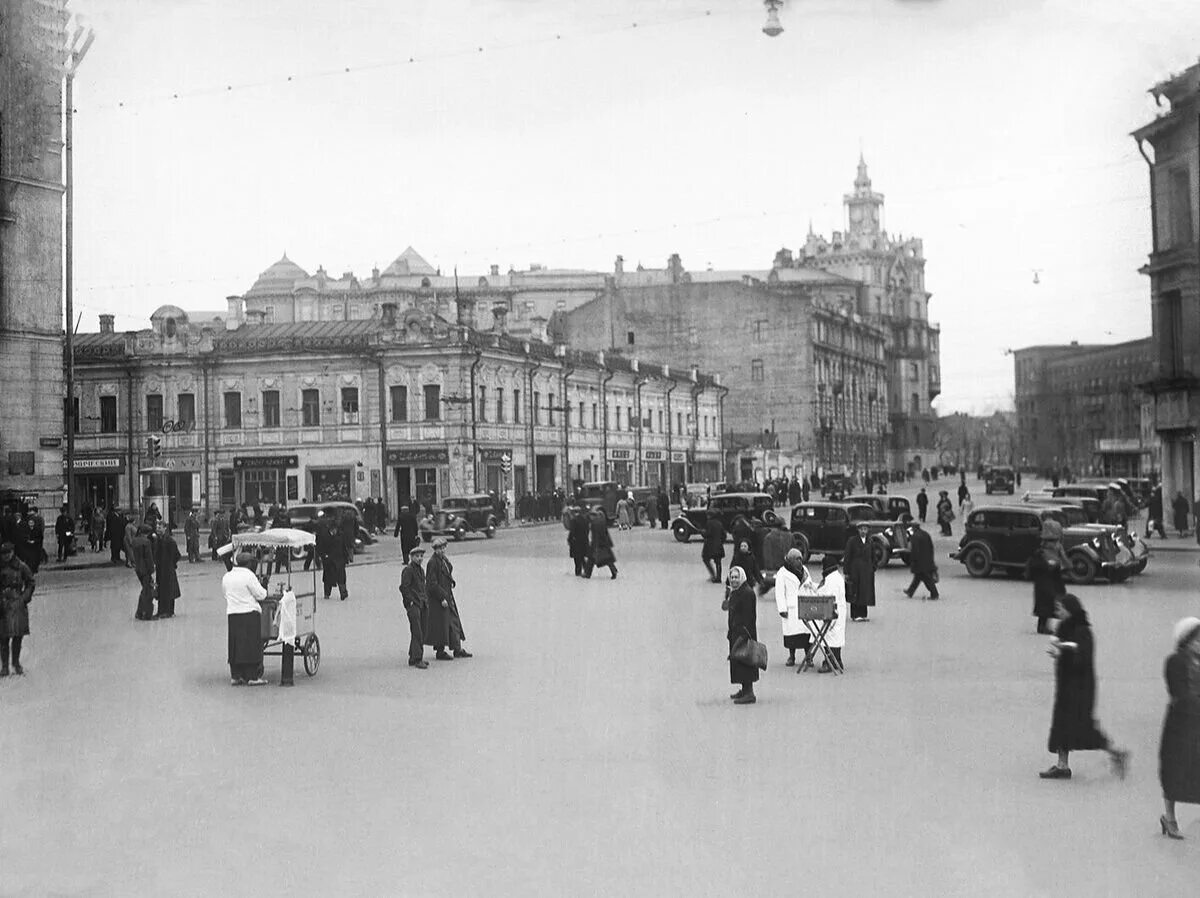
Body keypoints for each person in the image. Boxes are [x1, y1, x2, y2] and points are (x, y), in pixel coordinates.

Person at [1040, 593, 1129, 781]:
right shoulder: (1063, 627)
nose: (1057, 612)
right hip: (1065, 685)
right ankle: (1062, 766)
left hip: (1080, 688)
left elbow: (1083, 657)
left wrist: (1065, 648)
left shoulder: (1083, 631)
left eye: (1060, 608)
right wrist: (1057, 652)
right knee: (1061, 724)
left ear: (1070, 610)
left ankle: (1116, 753)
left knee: (1083, 727)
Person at [1158, 617, 1200, 839]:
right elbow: (1179, 693)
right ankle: (1170, 817)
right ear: (1186, 640)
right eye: (1196, 639)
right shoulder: (1175, 661)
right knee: (1174, 770)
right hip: (1180, 723)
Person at [223, 551, 268, 686]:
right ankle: (252, 676)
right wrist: (264, 585)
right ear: (249, 564)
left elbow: (225, 593)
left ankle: (236, 675)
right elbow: (261, 595)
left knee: (235, 645)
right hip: (249, 613)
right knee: (251, 645)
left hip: (233, 613)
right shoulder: (249, 576)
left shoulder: (227, 576)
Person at [425, 537, 471, 660]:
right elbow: (431, 584)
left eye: (444, 547)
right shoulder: (433, 563)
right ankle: (440, 651)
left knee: (453, 622)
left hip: (447, 594)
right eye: (440, 548)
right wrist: (441, 598)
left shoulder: (443, 560)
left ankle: (457, 648)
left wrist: (451, 582)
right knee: (441, 625)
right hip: (439, 599)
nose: (442, 550)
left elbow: (447, 573)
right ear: (435, 550)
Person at [775, 548, 816, 667]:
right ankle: (791, 656)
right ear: (791, 560)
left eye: (800, 559)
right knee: (791, 635)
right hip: (791, 608)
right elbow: (779, 592)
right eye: (797, 559)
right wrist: (782, 609)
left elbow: (810, 585)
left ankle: (808, 657)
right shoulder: (782, 573)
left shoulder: (805, 570)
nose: (800, 561)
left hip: (804, 606)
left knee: (807, 634)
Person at [723, 566, 758, 704]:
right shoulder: (736, 592)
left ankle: (749, 692)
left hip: (744, 633)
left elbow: (749, 617)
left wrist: (744, 634)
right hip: (736, 632)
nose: (734, 580)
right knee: (738, 661)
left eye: (736, 577)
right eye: (732, 577)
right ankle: (744, 689)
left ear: (742, 577)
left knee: (745, 660)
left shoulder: (747, 593)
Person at [0, 542, 35, 677]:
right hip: (3, 604)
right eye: (3, 554)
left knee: (17, 636)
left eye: (8, 553)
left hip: (18, 604)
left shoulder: (21, 566)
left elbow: (30, 582)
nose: (6, 557)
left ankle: (16, 663)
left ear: (13, 552)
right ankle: (4, 667)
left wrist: (24, 598)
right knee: (3, 637)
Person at [1026, 521, 1068, 634]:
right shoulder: (1042, 552)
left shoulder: (1046, 549)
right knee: (1047, 604)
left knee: (1048, 604)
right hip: (1046, 581)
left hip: (1048, 581)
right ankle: (1042, 627)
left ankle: (1043, 626)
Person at [399, 545, 429, 669]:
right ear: (411, 557)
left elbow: (423, 587)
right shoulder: (408, 570)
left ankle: (413, 655)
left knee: (421, 629)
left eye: (421, 556)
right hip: (414, 604)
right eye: (417, 556)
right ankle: (418, 658)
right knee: (417, 631)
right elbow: (404, 587)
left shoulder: (421, 570)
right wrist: (409, 602)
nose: (419, 558)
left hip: (422, 603)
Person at [843, 521, 876, 622]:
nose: (863, 531)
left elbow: (873, 556)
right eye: (861, 529)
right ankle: (855, 614)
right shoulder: (852, 541)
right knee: (855, 592)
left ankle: (863, 614)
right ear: (858, 530)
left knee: (865, 592)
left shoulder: (870, 541)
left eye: (865, 529)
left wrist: (873, 567)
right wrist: (847, 571)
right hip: (855, 571)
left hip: (867, 571)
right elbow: (847, 556)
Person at [902, 516, 939, 600]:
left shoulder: (915, 536)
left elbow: (915, 551)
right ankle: (910, 591)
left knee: (926, 578)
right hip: (927, 560)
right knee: (918, 577)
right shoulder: (925, 534)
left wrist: (912, 561)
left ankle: (934, 594)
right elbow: (931, 547)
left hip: (920, 561)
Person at [316, 515, 348, 601]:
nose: (335, 531)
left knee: (341, 578)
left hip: (340, 560)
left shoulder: (340, 535)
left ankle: (343, 593)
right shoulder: (324, 536)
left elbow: (344, 547)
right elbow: (320, 547)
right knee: (328, 579)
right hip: (329, 561)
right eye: (333, 530)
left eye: (335, 530)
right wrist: (323, 556)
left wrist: (346, 558)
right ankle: (327, 594)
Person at [154, 524, 181, 619]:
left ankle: (169, 611)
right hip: (160, 569)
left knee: (169, 590)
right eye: (157, 528)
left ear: (165, 528)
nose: (158, 529)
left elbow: (177, 555)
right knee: (161, 589)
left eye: (160, 528)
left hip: (168, 569)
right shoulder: (158, 540)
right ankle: (161, 611)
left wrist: (171, 564)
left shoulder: (170, 541)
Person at [130, 524, 157, 621]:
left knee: (144, 590)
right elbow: (149, 558)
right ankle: (146, 613)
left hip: (138, 568)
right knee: (148, 592)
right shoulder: (146, 542)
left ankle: (139, 612)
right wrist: (152, 569)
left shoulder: (135, 541)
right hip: (145, 569)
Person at [586, 509, 618, 580]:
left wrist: (594, 545)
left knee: (592, 559)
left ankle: (587, 574)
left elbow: (596, 535)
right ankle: (614, 571)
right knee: (607, 559)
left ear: (593, 516)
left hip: (598, 544)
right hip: (604, 544)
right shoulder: (601, 521)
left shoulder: (595, 523)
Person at [567, 506, 591, 577]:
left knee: (577, 559)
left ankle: (578, 572)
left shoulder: (574, 520)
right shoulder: (585, 519)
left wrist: (569, 539)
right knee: (582, 556)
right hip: (584, 541)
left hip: (576, 542)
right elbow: (587, 530)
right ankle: (586, 570)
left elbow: (572, 531)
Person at [701, 516, 726, 583]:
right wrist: (721, 542)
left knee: (705, 559)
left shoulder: (709, 523)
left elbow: (707, 534)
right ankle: (718, 577)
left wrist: (702, 532)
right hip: (719, 545)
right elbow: (724, 535)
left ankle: (713, 575)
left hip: (709, 546)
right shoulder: (719, 523)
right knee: (718, 562)